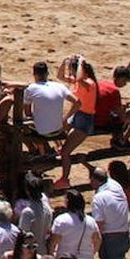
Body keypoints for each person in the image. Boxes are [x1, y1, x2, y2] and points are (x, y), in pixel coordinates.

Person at [53, 54, 97, 190]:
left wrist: (80, 63)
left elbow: (78, 78)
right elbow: (60, 76)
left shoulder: (89, 83)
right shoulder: (81, 82)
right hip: (79, 115)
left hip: (84, 120)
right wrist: (64, 62)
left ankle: (65, 178)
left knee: (66, 153)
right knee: (58, 127)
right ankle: (61, 146)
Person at [90, 166, 130, 259]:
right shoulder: (115, 185)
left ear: (93, 180)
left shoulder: (99, 197)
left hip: (110, 238)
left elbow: (99, 224)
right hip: (124, 235)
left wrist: (94, 243)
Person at [48, 189, 101, 259]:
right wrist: (91, 253)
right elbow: (97, 240)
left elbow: (53, 243)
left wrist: (52, 257)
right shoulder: (91, 221)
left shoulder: (61, 220)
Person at [22, 61, 75, 155]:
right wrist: (65, 118)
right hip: (59, 130)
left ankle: (38, 151)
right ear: (47, 73)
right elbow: (77, 102)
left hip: (43, 132)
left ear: (34, 74)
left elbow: (28, 112)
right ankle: (55, 146)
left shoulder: (31, 88)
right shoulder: (59, 86)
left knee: (22, 128)